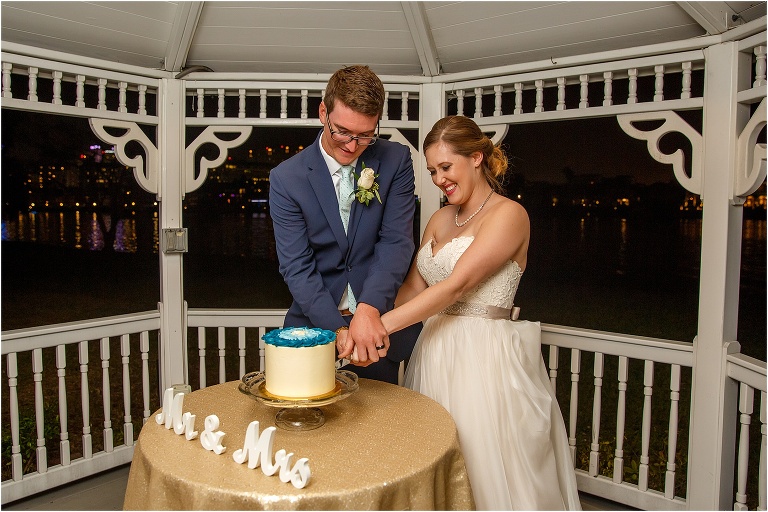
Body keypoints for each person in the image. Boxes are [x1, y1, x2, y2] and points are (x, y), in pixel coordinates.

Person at [380, 115, 582, 510]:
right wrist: (366, 322)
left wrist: (380, 328)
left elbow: (455, 286)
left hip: (485, 359)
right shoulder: (439, 219)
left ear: (476, 158)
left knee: (484, 464)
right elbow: (413, 288)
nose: (438, 179)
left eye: (445, 167)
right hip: (435, 350)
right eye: (432, 170)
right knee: (434, 458)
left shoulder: (509, 215)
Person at [269, 65, 417, 384]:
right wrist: (338, 328)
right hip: (312, 329)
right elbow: (297, 266)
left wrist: (368, 309)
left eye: (365, 135)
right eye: (342, 132)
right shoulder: (286, 178)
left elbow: (396, 242)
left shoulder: (396, 161)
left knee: (379, 431)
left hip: (379, 331)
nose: (352, 145)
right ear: (323, 112)